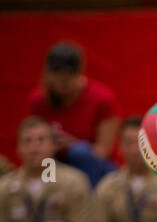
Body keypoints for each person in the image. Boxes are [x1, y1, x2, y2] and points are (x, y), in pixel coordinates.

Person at [25, 43, 120, 187]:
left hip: (93, 167)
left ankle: (89, 202)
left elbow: (103, 151)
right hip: (54, 161)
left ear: (79, 73)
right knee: (42, 154)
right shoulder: (39, 100)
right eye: (58, 77)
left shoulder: (102, 99)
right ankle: (44, 197)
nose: (63, 84)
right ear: (48, 75)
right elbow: (30, 136)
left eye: (68, 78)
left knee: (79, 152)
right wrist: (49, 145)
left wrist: (72, 144)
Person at [0, 117, 97, 222]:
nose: (34, 147)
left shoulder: (73, 182)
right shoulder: (5, 188)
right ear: (18, 148)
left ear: (53, 145)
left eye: (41, 140)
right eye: (27, 141)